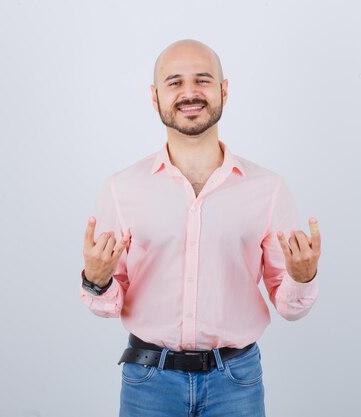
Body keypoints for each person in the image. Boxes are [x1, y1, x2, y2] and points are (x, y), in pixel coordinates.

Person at [80, 39, 321, 417]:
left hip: (236, 382)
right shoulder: (121, 189)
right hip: (148, 382)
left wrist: (303, 278)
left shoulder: (268, 189)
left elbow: (289, 307)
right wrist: (96, 280)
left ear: (223, 90)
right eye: (174, 82)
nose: (189, 93)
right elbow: (108, 305)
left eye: (202, 80)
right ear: (155, 96)